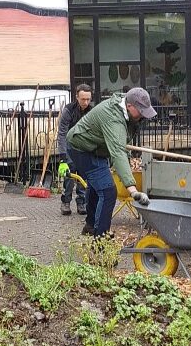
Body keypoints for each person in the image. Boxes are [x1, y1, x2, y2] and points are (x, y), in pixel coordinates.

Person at [66, 87, 155, 237]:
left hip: (97, 148)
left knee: (97, 186)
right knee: (108, 191)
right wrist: (133, 190)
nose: (143, 115)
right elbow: (118, 151)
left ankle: (90, 226)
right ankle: (100, 242)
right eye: (141, 111)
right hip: (80, 148)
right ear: (129, 106)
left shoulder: (127, 111)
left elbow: (121, 143)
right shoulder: (113, 117)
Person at [57, 84, 93, 216]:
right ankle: (66, 202)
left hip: (84, 147)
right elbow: (61, 134)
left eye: (88, 99)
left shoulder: (92, 111)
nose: (86, 102)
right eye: (83, 99)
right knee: (69, 174)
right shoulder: (69, 110)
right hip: (70, 145)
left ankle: (81, 202)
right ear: (77, 97)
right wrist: (62, 158)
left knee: (83, 174)